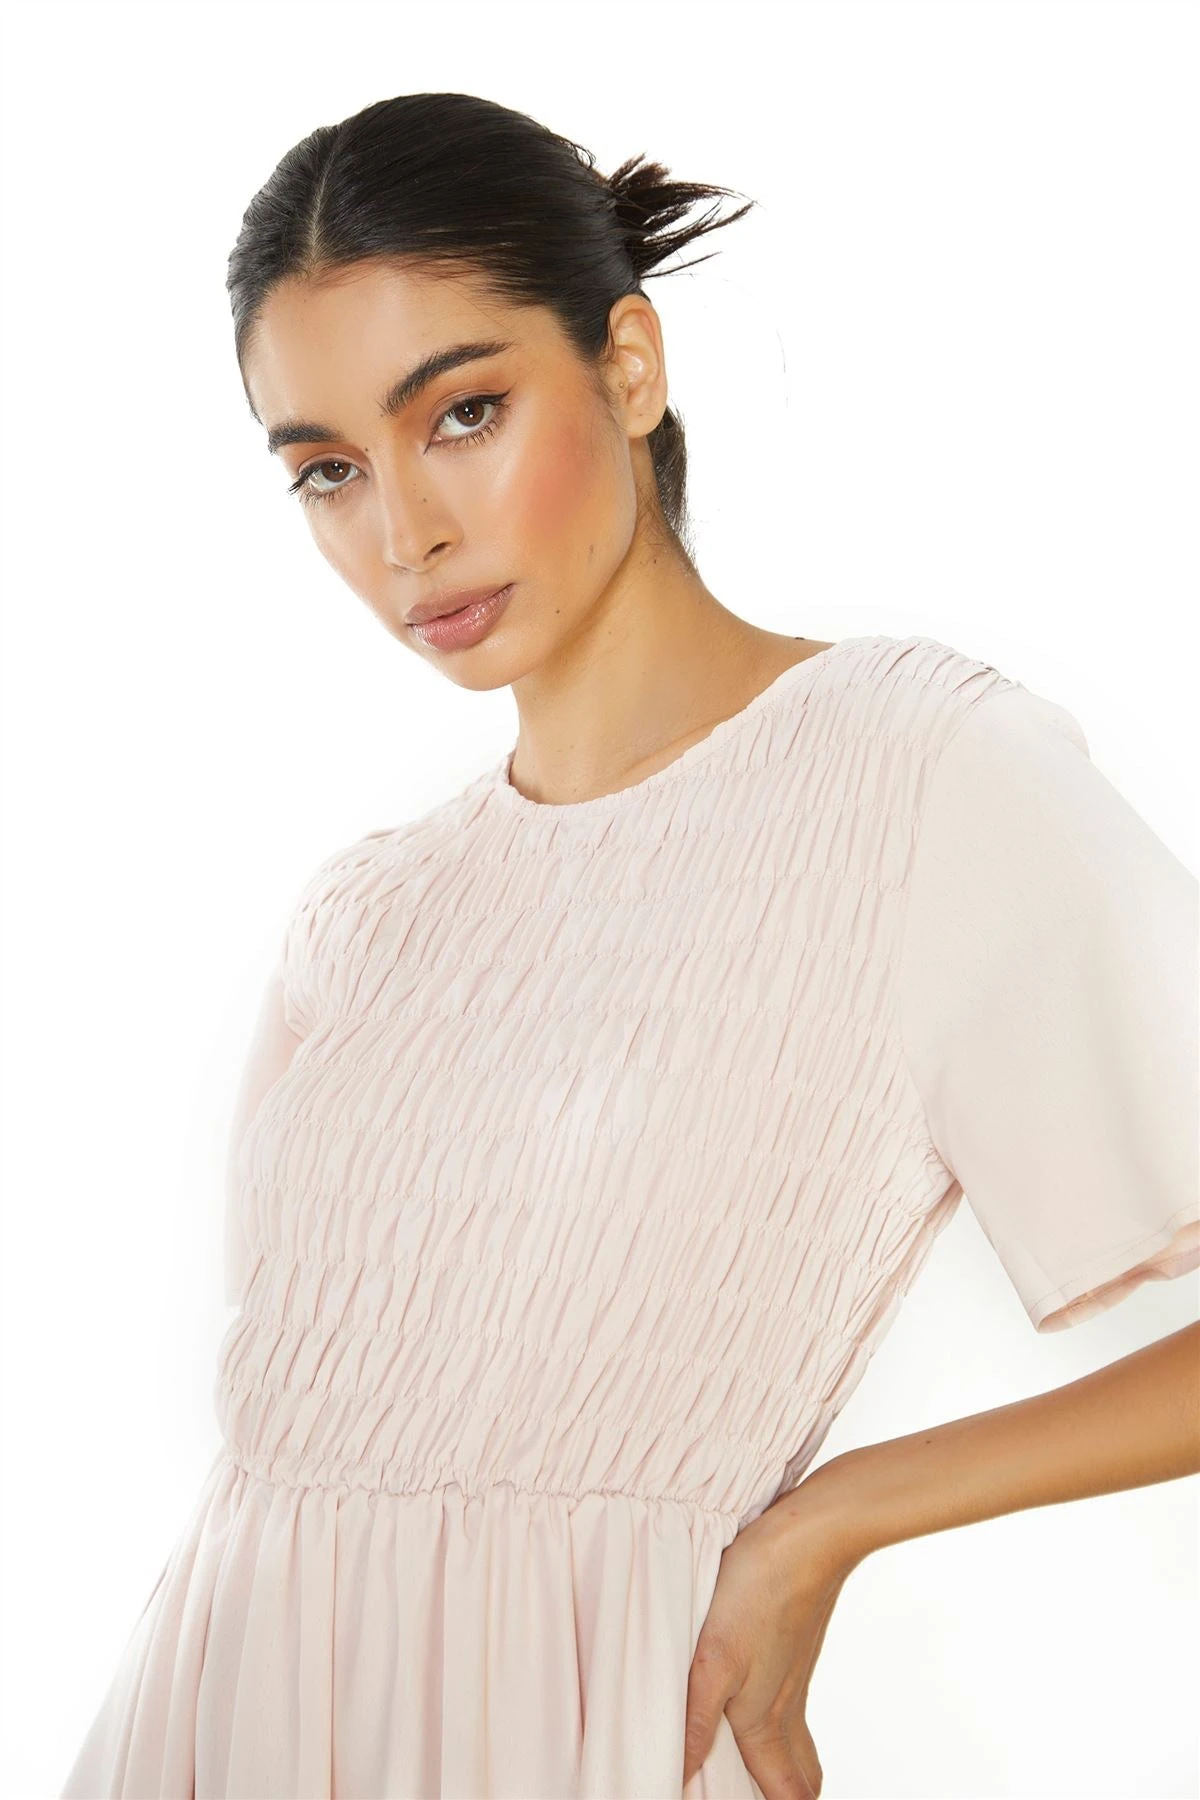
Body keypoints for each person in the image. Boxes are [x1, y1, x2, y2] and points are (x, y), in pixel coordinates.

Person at [61, 91, 1199, 1800]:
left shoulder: (920, 776)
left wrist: (830, 1522)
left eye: (463, 414)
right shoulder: (368, 920)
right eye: (327, 472)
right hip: (219, 1725)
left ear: (633, 365)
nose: (403, 536)